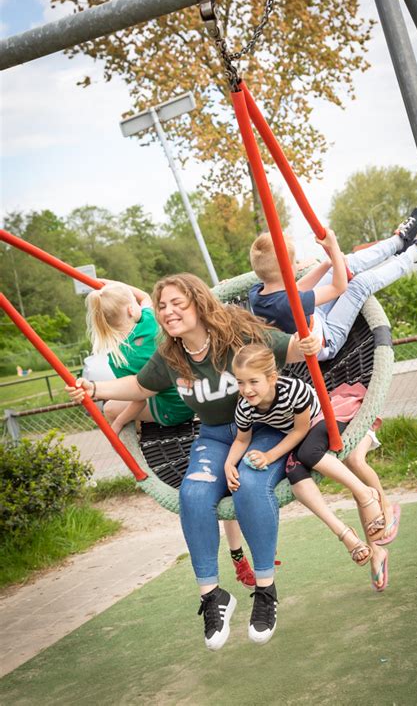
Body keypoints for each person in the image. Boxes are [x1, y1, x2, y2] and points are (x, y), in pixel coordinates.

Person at [66, 272, 323, 650]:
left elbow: (292, 349)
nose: (168, 312)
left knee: (250, 487)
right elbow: (139, 386)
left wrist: (311, 340)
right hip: (218, 434)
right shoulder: (171, 353)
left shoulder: (236, 331)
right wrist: (94, 388)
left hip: (264, 428)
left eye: (177, 303)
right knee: (194, 495)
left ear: (198, 303)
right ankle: (213, 596)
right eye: (163, 305)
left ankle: (266, 591)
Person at [85, 279, 255, 590]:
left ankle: (135, 430)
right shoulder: (153, 319)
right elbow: (140, 293)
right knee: (225, 491)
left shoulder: (118, 355)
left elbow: (138, 395)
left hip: (169, 411)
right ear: (133, 309)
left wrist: (117, 425)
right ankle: (238, 555)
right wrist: (111, 287)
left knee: (111, 408)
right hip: (196, 401)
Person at [225, 344, 389, 591]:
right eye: (240, 382)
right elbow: (242, 439)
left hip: (326, 416)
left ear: (272, 378)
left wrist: (269, 456)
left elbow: (301, 429)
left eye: (253, 381)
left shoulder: (293, 390)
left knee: (308, 453)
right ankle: (346, 535)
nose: (246, 390)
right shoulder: (245, 406)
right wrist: (229, 463)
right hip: (300, 435)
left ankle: (366, 494)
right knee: (294, 471)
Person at [249, 208, 417, 361]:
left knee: (343, 263)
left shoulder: (257, 293)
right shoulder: (288, 305)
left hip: (313, 316)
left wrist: (328, 263)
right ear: (287, 271)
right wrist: (333, 248)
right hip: (326, 339)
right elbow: (338, 288)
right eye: (295, 263)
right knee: (360, 284)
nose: (298, 265)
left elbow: (297, 289)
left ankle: (399, 242)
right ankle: (416, 252)